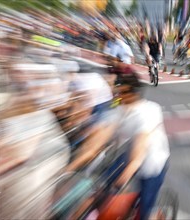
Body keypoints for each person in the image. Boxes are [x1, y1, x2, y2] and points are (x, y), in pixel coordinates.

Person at [66, 65, 170, 220]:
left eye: (120, 93)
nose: (116, 97)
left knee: (144, 211)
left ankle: (151, 215)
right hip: (130, 153)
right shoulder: (119, 110)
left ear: (133, 92)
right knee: (102, 190)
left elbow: (139, 153)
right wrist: (68, 170)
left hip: (153, 160)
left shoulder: (149, 112)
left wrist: (126, 174)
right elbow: (99, 139)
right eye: (116, 92)